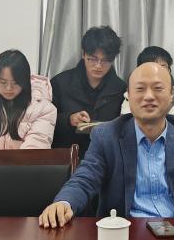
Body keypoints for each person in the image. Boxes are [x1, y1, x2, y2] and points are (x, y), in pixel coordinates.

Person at [38, 62, 174, 228]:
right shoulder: (106, 136)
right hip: (124, 233)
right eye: (140, 89)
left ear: (171, 95)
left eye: (158, 88)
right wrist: (64, 203)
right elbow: (86, 177)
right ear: (129, 96)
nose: (149, 96)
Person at [50, 26, 127, 154]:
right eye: (93, 58)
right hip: (65, 156)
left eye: (105, 60)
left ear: (113, 59)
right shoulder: (60, 83)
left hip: (106, 157)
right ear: (83, 54)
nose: (98, 65)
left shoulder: (121, 89)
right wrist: (69, 119)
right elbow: (45, 122)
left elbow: (126, 128)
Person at [0, 49, 56, 149]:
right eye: (3, 82)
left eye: (15, 83)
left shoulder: (43, 108)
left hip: (26, 159)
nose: (9, 88)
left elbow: (35, 149)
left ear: (25, 81)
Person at [120, 46, 174, 124]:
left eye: (162, 67)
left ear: (169, 70)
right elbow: (127, 129)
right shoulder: (131, 97)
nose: (157, 71)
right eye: (151, 67)